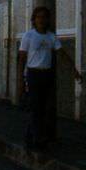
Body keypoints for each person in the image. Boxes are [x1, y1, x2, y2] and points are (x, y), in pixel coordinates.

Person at [18, 6, 82, 151]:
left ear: (47, 20)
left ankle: (31, 138)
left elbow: (62, 54)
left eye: (44, 17)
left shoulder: (51, 37)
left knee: (44, 108)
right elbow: (21, 59)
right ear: (34, 19)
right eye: (38, 17)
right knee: (35, 107)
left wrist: (74, 70)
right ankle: (37, 139)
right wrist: (20, 81)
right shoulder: (28, 36)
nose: (41, 19)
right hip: (33, 74)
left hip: (46, 74)